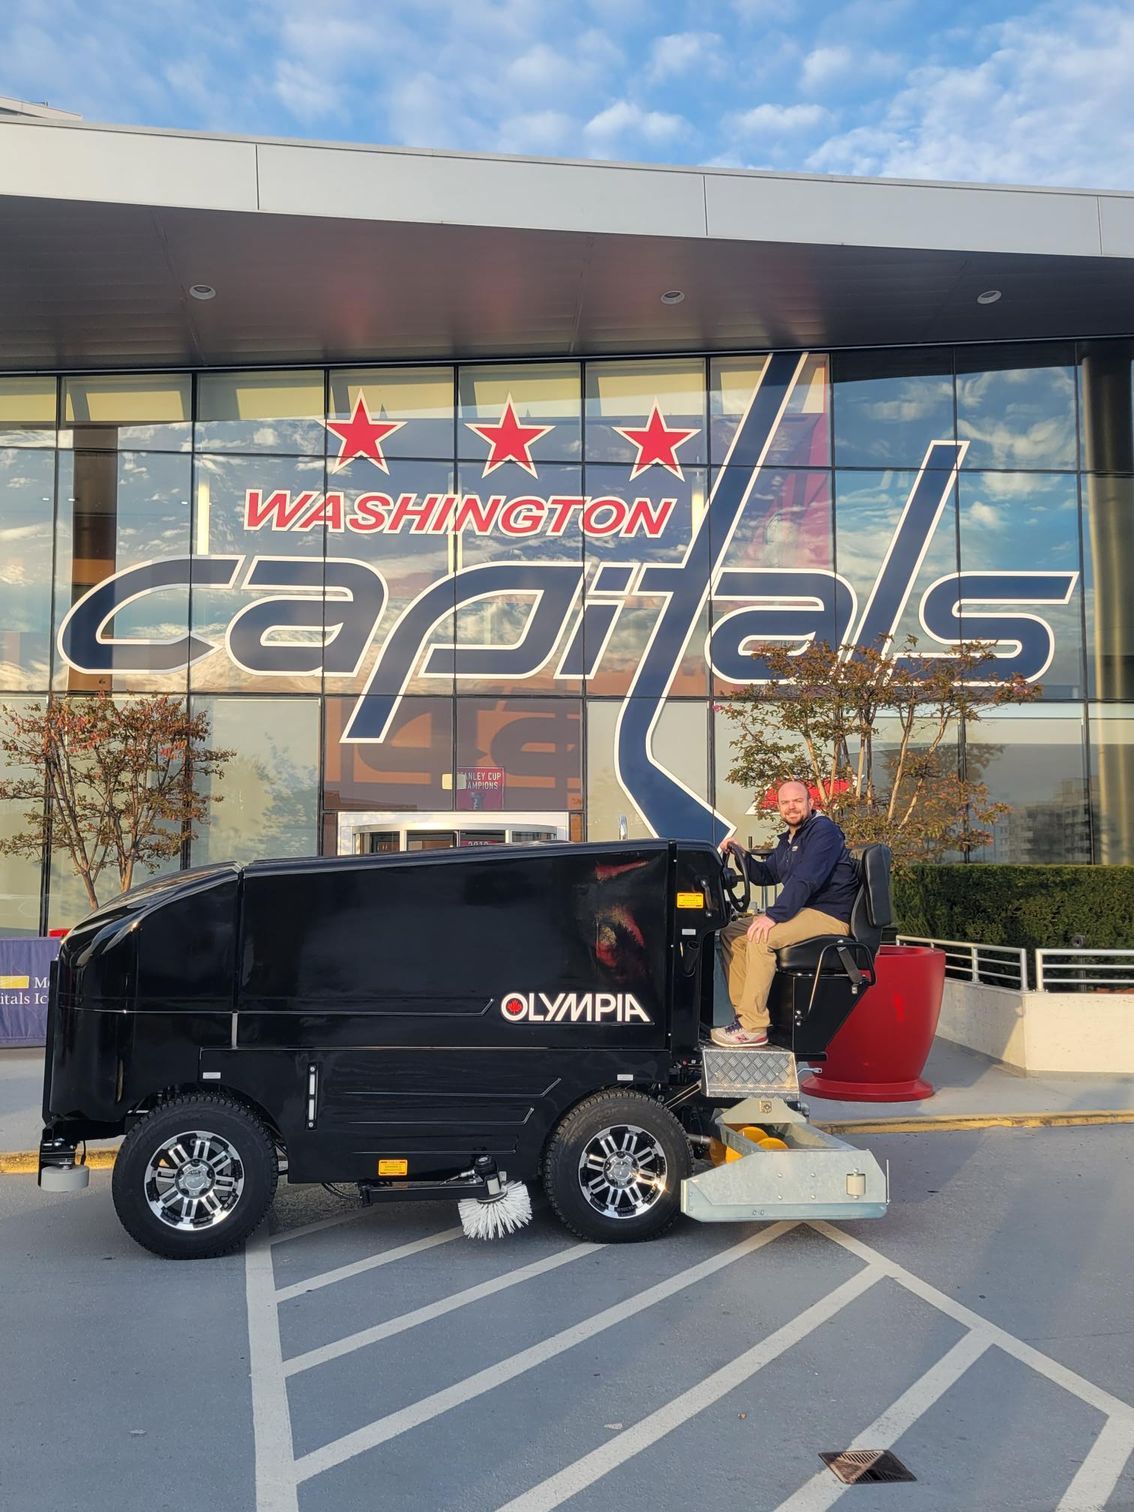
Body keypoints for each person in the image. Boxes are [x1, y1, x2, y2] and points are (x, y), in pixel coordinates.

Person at [713, 780, 858, 1048]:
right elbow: (766, 875)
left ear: (810, 803)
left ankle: (753, 1027)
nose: (791, 807)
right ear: (778, 807)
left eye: (797, 801)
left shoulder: (824, 832)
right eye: (785, 803)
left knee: (761, 935)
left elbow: (806, 880)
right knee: (732, 934)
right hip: (805, 911)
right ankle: (743, 1016)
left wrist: (772, 916)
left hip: (829, 914)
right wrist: (740, 854)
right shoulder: (790, 839)